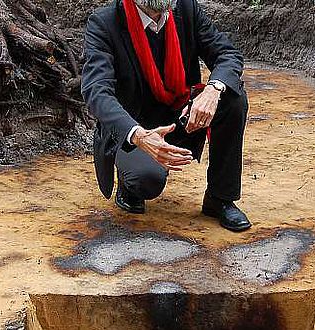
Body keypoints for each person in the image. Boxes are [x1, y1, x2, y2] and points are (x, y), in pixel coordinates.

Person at [80, 0, 250, 231]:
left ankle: (220, 198)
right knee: (146, 180)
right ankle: (129, 184)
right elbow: (97, 92)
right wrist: (138, 135)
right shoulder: (104, 23)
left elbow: (227, 54)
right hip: (136, 129)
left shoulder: (187, 9)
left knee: (232, 97)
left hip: (181, 117)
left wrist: (212, 89)